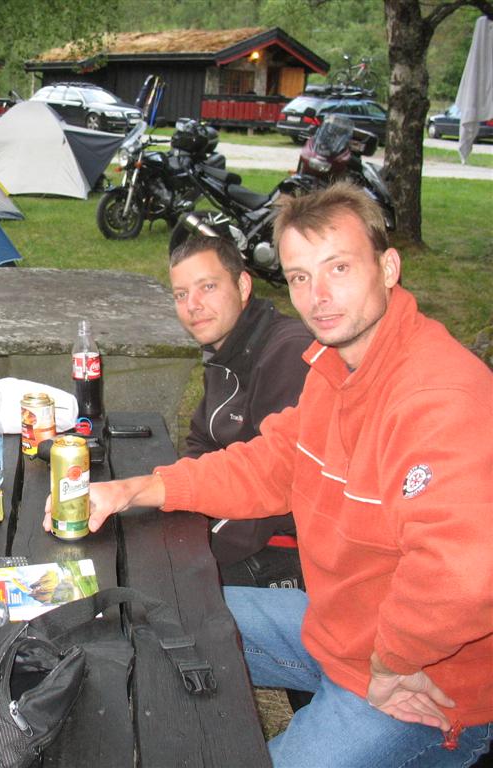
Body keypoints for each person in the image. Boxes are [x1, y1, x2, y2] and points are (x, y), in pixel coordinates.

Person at [45, 183, 493, 766]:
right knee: (147, 616)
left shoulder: (440, 396)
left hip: (420, 687)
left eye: (338, 268)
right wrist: (135, 489)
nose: (319, 296)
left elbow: (462, 572)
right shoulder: (335, 371)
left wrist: (391, 663)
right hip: (336, 630)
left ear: (388, 268)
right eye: (301, 276)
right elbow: (269, 464)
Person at [169, 235, 313, 588]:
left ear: (243, 285)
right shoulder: (226, 350)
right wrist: (176, 504)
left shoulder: (288, 354)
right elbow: (202, 441)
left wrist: (189, 551)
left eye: (207, 287)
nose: (193, 305)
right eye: (181, 294)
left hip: (287, 550)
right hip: (235, 524)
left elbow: (271, 484)